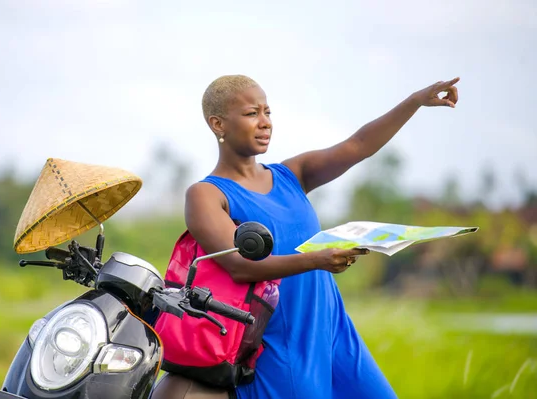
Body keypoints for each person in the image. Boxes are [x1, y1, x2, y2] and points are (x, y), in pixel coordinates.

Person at [155, 74, 459, 399]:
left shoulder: (292, 174)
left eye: (267, 112)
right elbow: (239, 266)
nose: (264, 123)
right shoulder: (206, 195)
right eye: (251, 114)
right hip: (278, 341)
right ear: (218, 124)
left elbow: (357, 146)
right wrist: (318, 259)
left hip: (333, 329)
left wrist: (414, 101)